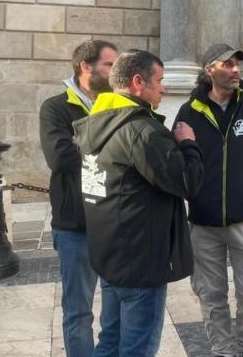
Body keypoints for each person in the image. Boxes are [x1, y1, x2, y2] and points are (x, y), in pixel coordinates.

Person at [74, 49, 204, 356]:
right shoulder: (141, 131)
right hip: (140, 261)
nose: (163, 89)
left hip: (110, 255)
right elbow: (188, 182)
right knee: (137, 349)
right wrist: (189, 145)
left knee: (109, 342)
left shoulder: (97, 123)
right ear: (137, 82)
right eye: (158, 81)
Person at [174, 44, 243, 357]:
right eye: (228, 64)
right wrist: (193, 192)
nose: (236, 70)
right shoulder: (189, 111)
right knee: (211, 294)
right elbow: (181, 158)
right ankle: (222, 350)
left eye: (238, 65)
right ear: (210, 70)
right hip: (203, 222)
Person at [39, 38, 117, 357]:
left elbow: (133, 150)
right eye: (109, 65)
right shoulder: (56, 107)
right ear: (86, 66)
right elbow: (60, 158)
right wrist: (107, 149)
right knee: (78, 313)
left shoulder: (117, 103)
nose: (115, 71)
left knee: (116, 310)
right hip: (75, 226)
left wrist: (80, 143)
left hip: (115, 224)